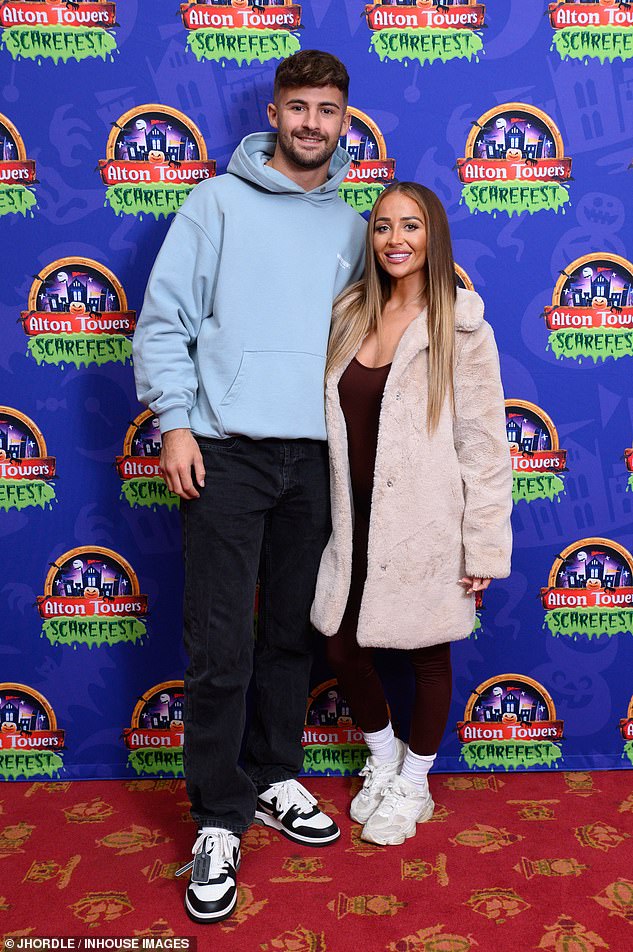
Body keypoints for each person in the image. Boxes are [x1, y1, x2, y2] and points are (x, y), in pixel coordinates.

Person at [133, 50, 366, 924]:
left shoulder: (352, 223)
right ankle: (218, 816)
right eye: (298, 106)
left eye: (328, 110)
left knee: (287, 642)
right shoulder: (214, 203)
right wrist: (175, 422)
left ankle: (275, 775)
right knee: (221, 644)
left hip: (314, 458)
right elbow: (165, 319)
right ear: (274, 111)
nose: (312, 123)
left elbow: (388, 319)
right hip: (224, 452)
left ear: (345, 122)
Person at [311, 181, 512, 846]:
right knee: (340, 643)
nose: (395, 239)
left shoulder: (459, 325)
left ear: (433, 238)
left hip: (425, 521)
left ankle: (415, 781)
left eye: (411, 226)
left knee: (427, 654)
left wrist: (480, 546)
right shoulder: (347, 314)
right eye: (382, 226)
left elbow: (484, 446)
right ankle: (383, 756)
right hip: (352, 518)